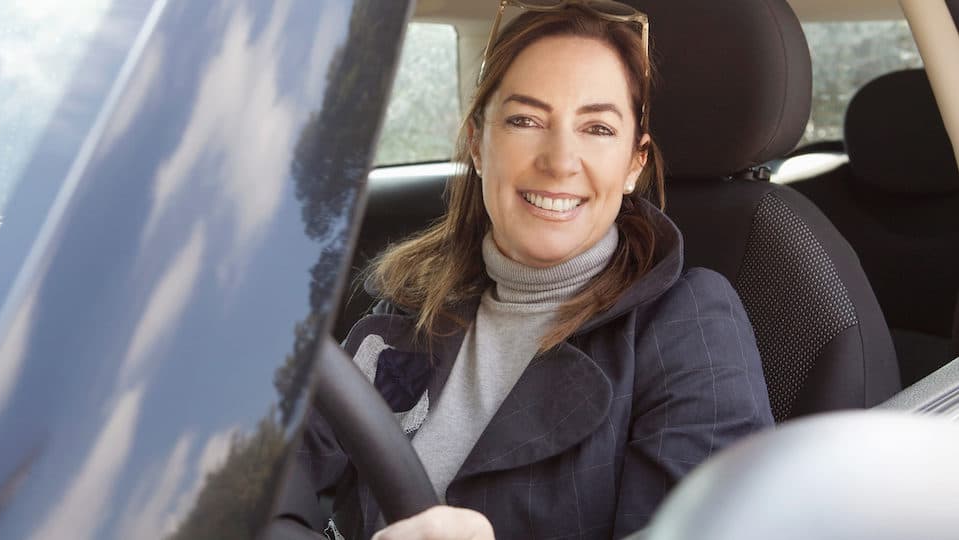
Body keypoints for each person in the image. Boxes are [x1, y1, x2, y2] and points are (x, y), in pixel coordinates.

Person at [298, 2, 774, 538]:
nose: (559, 159)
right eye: (525, 120)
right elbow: (271, 485)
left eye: (596, 128)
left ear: (633, 166)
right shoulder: (406, 311)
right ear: (478, 145)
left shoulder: (688, 321)